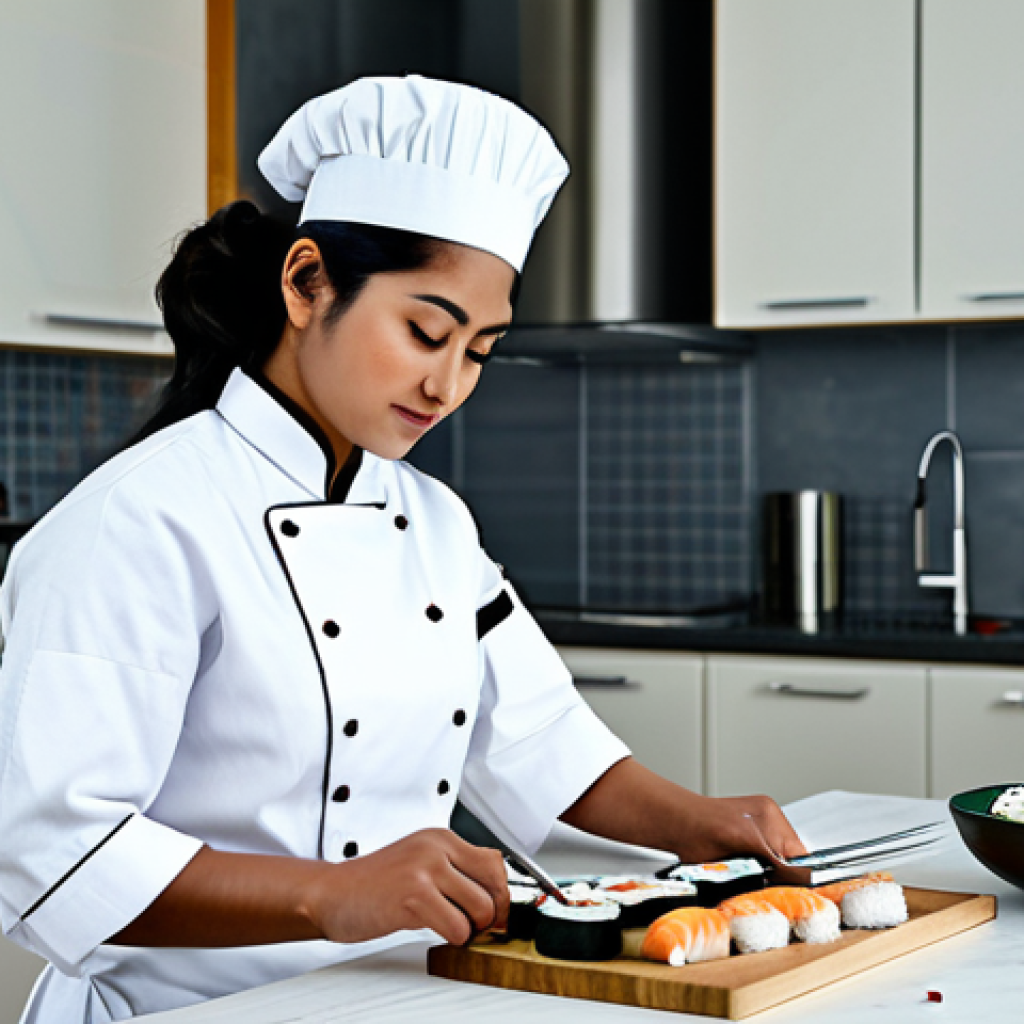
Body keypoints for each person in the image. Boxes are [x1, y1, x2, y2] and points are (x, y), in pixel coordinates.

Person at [0, 75, 805, 1023]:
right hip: (189, 1011)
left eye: (480, 351)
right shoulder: (138, 520)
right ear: (307, 283)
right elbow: (48, 849)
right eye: (427, 331)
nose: (448, 383)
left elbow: (537, 737)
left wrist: (699, 821)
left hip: (394, 995)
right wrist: (331, 894)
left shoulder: (434, 521)